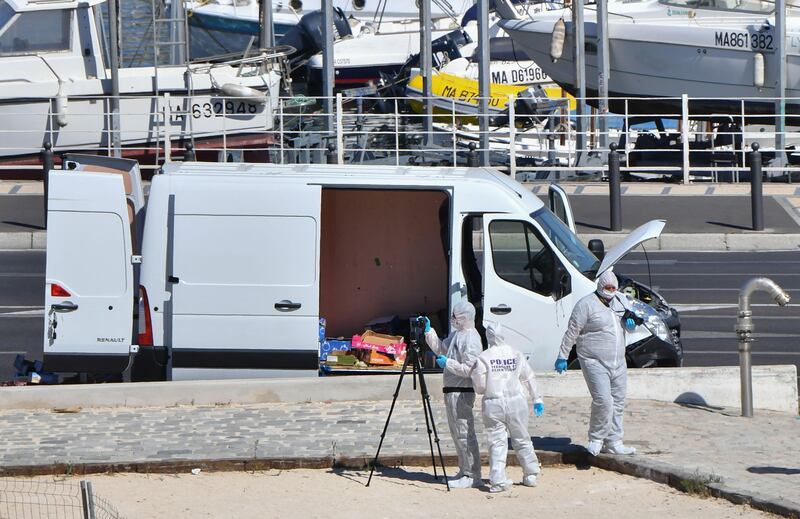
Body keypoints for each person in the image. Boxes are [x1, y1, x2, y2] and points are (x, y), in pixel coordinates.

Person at [554, 269, 637, 457]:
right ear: (600, 286)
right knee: (603, 400)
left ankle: (614, 441)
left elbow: (627, 326)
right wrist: (562, 356)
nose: (610, 290)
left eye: (613, 287)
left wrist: (631, 326)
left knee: (618, 401)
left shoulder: (620, 301)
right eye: (607, 287)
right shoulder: (586, 305)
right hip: (593, 361)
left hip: (618, 362)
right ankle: (596, 438)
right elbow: (572, 331)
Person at [471, 322, 544, 493]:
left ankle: (498, 480)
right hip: (516, 402)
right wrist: (537, 399)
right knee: (522, 438)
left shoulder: (483, 357)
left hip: (493, 402)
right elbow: (529, 377)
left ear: (488, 336)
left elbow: (480, 386)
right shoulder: (516, 354)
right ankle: (531, 474)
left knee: (496, 442)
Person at [423, 300, 482, 488]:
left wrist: (447, 364)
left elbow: (469, 369)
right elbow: (442, 349)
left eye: (455, 317)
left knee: (465, 433)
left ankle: (472, 474)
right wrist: (428, 331)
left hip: (462, 392)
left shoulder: (472, 339)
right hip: (452, 390)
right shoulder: (457, 335)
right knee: (457, 433)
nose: (453, 320)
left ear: (464, 317)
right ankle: (464, 470)